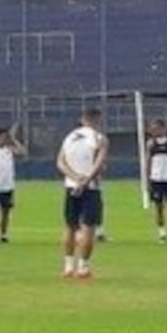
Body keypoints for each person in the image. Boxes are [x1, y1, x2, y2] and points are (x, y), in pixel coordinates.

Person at [56, 108, 109, 278]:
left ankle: (68, 265)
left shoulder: (69, 137)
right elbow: (99, 164)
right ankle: (83, 266)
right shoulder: (99, 138)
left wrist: (75, 177)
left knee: (70, 227)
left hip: (70, 186)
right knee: (88, 228)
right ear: (97, 119)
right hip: (90, 188)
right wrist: (85, 181)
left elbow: (60, 162)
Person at [0, 126, 27, 243]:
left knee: (6, 212)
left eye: (6, 137)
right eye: (2, 137)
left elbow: (23, 153)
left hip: (8, 186)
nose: (4, 139)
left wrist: (14, 140)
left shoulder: (10, 149)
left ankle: (3, 234)